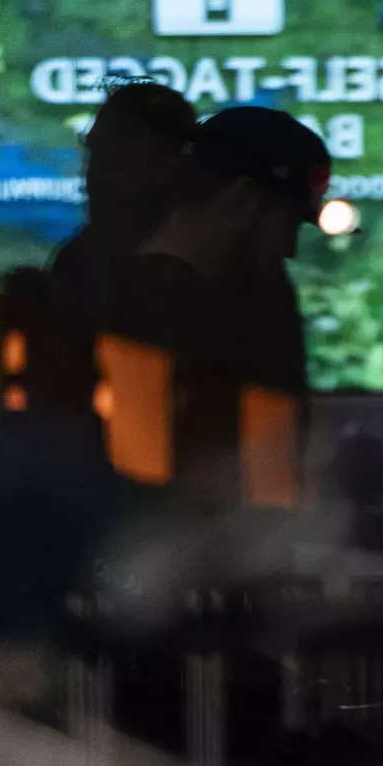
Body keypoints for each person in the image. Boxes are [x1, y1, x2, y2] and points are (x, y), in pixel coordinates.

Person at [100, 106, 327, 496]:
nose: (289, 248)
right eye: (286, 223)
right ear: (241, 199)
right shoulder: (166, 309)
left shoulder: (131, 291)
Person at [50, 80, 197, 331]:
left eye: (114, 157)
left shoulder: (205, 270)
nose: (91, 175)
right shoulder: (79, 258)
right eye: (95, 155)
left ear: (168, 166)